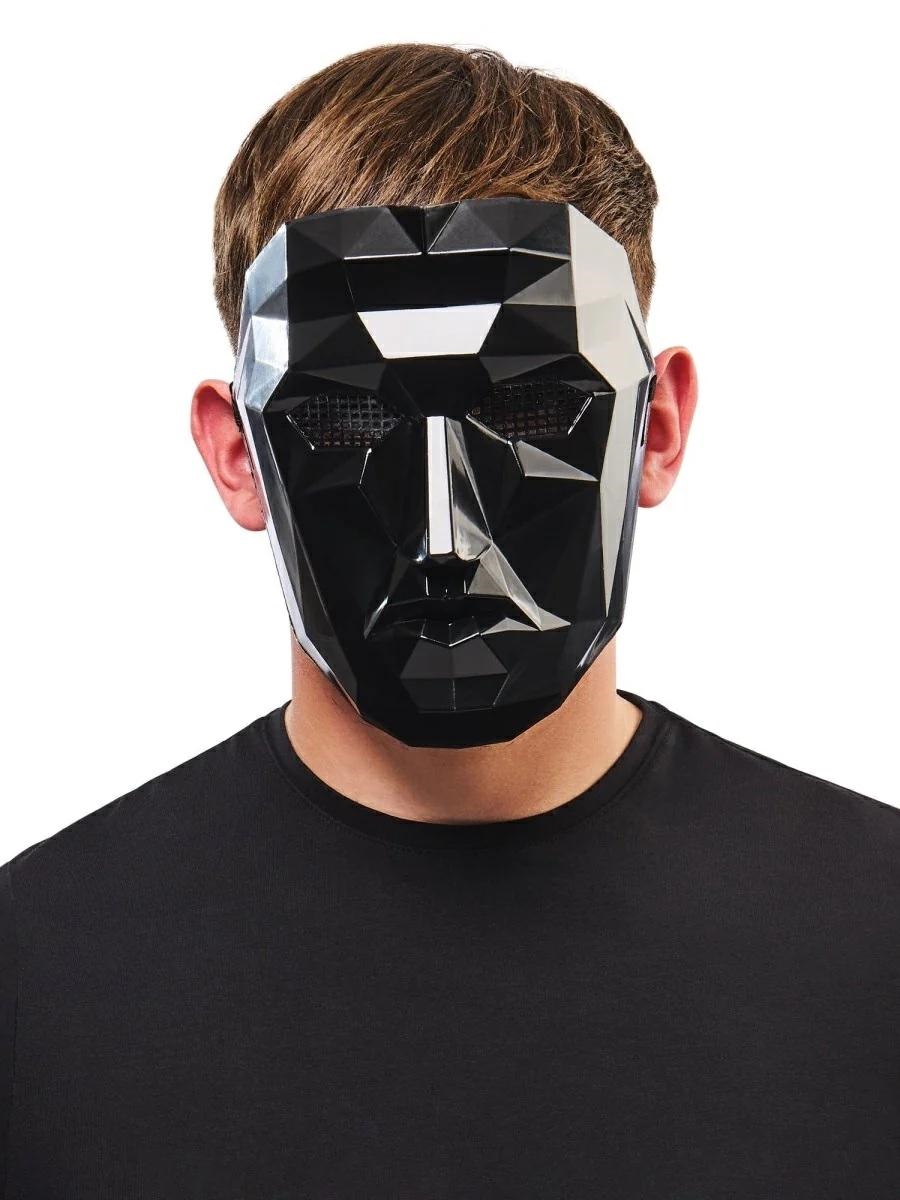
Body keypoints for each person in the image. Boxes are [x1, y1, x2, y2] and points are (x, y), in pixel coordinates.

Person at [1, 42, 897, 1200]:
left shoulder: (875, 941)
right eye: (342, 422)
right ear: (238, 455)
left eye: (530, 408)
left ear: (658, 428)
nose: (442, 538)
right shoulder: (36, 978)